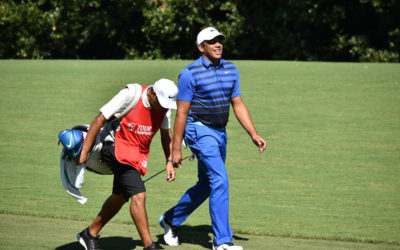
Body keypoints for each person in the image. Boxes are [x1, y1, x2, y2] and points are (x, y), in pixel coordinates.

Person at [158, 27, 267, 250]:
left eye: (220, 40)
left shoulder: (231, 69)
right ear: (201, 47)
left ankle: (170, 219)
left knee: (208, 184)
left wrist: (253, 134)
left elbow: (237, 104)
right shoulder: (189, 74)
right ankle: (222, 242)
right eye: (211, 41)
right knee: (220, 180)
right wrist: (175, 150)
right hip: (198, 130)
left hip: (220, 132)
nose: (218, 44)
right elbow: (181, 114)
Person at [76, 79, 178, 250]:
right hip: (115, 147)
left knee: (120, 197)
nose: (164, 107)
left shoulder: (165, 106)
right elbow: (100, 118)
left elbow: (165, 134)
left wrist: (169, 160)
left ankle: (89, 234)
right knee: (139, 194)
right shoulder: (131, 94)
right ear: (152, 93)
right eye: (161, 103)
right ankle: (148, 245)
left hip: (136, 154)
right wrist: (85, 151)